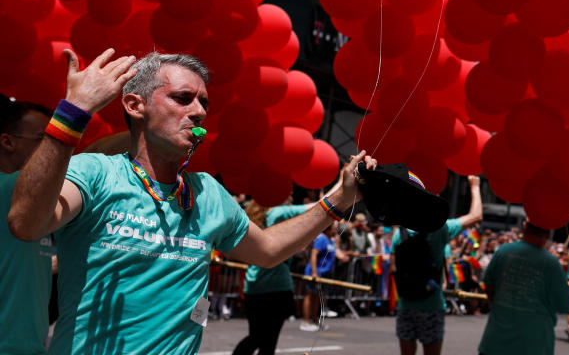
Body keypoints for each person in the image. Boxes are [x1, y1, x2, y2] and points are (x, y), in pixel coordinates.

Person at [7, 49, 377, 355]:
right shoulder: (96, 172)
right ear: (135, 105)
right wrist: (73, 113)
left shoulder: (207, 193)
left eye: (203, 102)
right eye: (183, 98)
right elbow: (26, 223)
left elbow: (268, 250)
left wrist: (339, 198)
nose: (199, 111)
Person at [391, 174, 482, 355]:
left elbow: (394, 267)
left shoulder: (399, 233)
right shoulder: (440, 229)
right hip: (431, 305)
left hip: (406, 304)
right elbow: (475, 216)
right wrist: (475, 187)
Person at [1, 98, 55, 355]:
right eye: (43, 139)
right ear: (7, 141)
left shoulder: (35, 199)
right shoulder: (12, 188)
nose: (51, 148)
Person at [477, 221, 569, 355]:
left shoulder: (503, 252)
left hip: (495, 342)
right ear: (547, 234)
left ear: (524, 227)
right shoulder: (552, 264)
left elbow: (488, 285)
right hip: (533, 345)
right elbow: (567, 305)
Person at [232, 198, 312, 355]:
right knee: (268, 341)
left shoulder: (252, 218)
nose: (291, 196)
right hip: (277, 288)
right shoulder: (278, 212)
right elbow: (317, 207)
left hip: (254, 287)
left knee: (256, 337)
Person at [302, 223, 346, 329]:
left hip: (324, 273)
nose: (336, 231)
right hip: (315, 272)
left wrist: (345, 256)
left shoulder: (331, 240)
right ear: (327, 230)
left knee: (318, 296)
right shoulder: (321, 239)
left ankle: (314, 320)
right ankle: (306, 322)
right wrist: (314, 272)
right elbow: (314, 254)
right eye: (334, 229)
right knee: (310, 295)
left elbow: (337, 253)